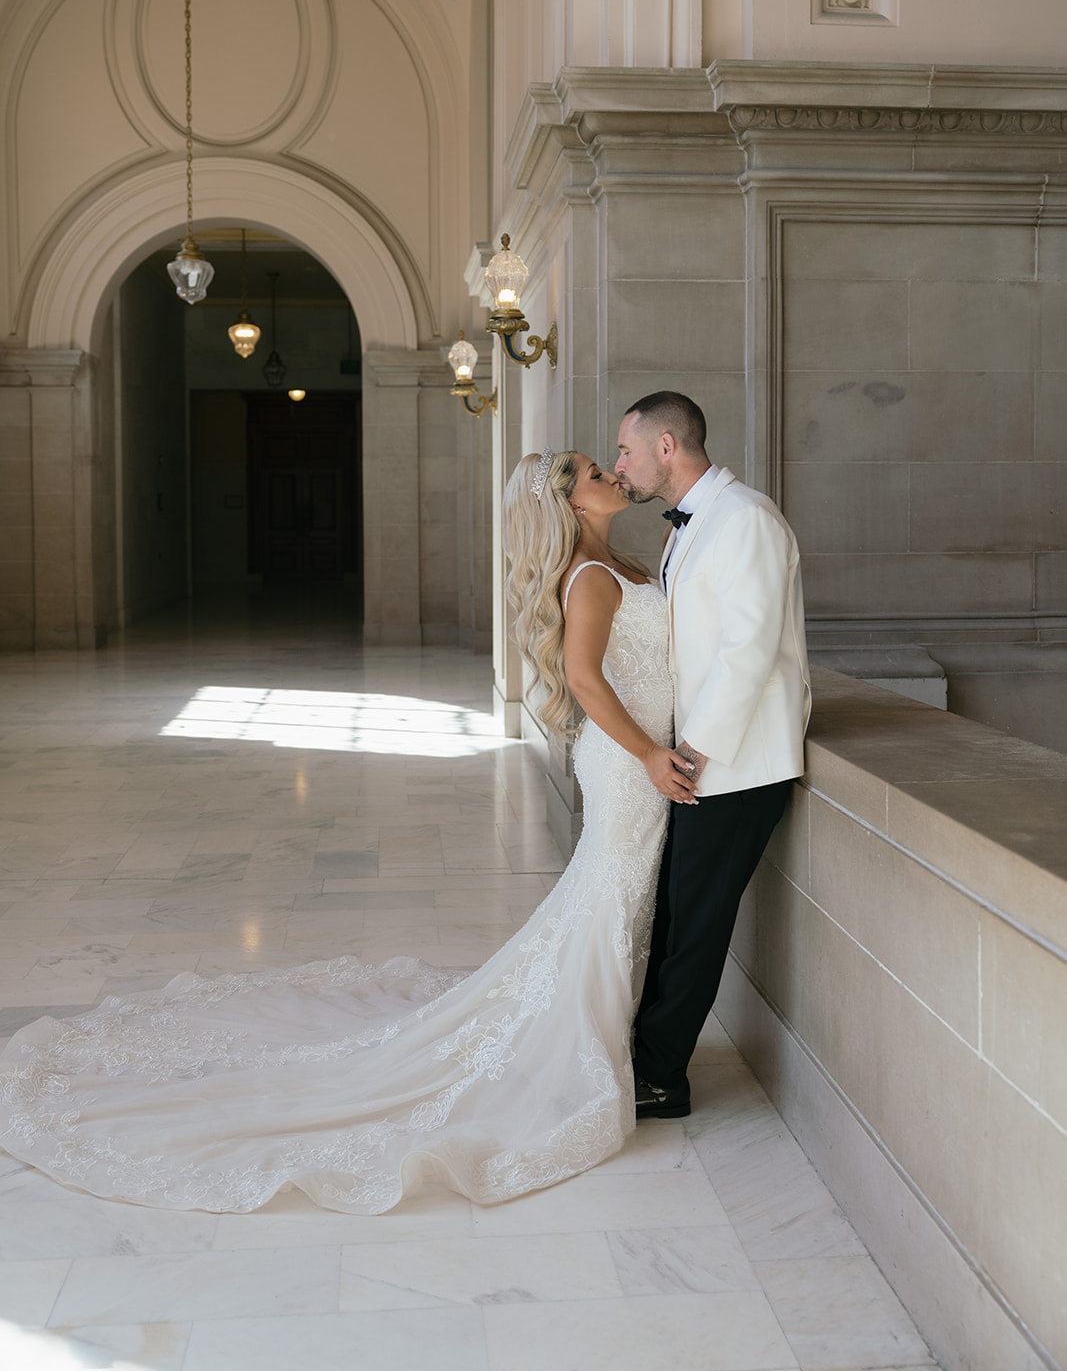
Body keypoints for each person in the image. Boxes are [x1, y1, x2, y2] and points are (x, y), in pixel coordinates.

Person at [0, 448, 694, 1215]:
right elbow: (587, 680)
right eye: (592, 472)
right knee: (610, 891)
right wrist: (650, 754)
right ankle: (578, 1042)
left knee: (611, 894)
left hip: (639, 757)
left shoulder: (623, 560)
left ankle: (594, 1025)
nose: (608, 474)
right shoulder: (593, 579)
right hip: (631, 763)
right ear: (569, 505)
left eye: (603, 465)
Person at [614, 390, 811, 1120]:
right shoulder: (692, 524)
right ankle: (647, 1057)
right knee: (673, 917)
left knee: (695, 927)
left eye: (626, 450)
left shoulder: (747, 519)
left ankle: (662, 1079)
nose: (619, 464)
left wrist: (692, 752)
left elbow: (748, 651)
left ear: (667, 446)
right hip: (703, 764)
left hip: (735, 765)